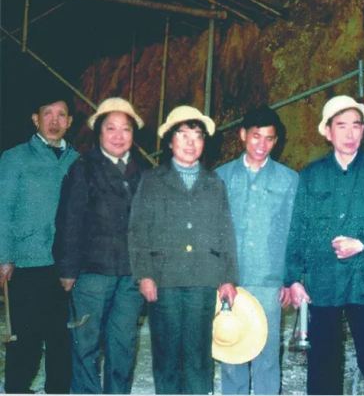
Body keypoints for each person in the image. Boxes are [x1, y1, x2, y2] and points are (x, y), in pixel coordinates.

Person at [284, 95, 364, 395]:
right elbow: (299, 227)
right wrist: (293, 278)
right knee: (323, 360)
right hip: (323, 280)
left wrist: (363, 244)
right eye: (341, 126)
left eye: (356, 125)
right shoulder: (312, 174)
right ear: (328, 132)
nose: (350, 133)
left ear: (363, 130)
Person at [128, 106, 238, 395]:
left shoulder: (214, 182)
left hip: (203, 279)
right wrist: (144, 275)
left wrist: (227, 278)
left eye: (198, 136)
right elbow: (138, 231)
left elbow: (225, 232)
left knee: (199, 355)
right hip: (164, 280)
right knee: (167, 356)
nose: (191, 142)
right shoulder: (151, 180)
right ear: (169, 141)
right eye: (183, 134)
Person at [53, 97, 148, 393]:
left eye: (125, 129)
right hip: (92, 274)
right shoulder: (83, 168)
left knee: (123, 344)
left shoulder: (143, 171)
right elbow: (69, 220)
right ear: (99, 133)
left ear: (133, 134)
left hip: (131, 276)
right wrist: (67, 270)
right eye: (111, 128)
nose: (119, 136)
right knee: (86, 345)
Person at [216, 106, 298, 394]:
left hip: (269, 281)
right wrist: (220, 277)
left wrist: (290, 279)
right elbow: (214, 231)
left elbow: (293, 232)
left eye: (269, 138)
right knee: (232, 354)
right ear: (242, 135)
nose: (262, 145)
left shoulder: (289, 179)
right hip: (230, 280)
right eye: (256, 136)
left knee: (266, 356)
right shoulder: (221, 177)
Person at [0, 92, 78, 393]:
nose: (54, 121)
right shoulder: (15, 158)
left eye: (61, 115)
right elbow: (3, 209)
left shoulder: (78, 161)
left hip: (65, 266)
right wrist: (4, 255)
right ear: (36, 119)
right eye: (48, 113)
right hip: (26, 261)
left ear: (69, 122)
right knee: (26, 339)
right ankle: (17, 389)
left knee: (62, 338)